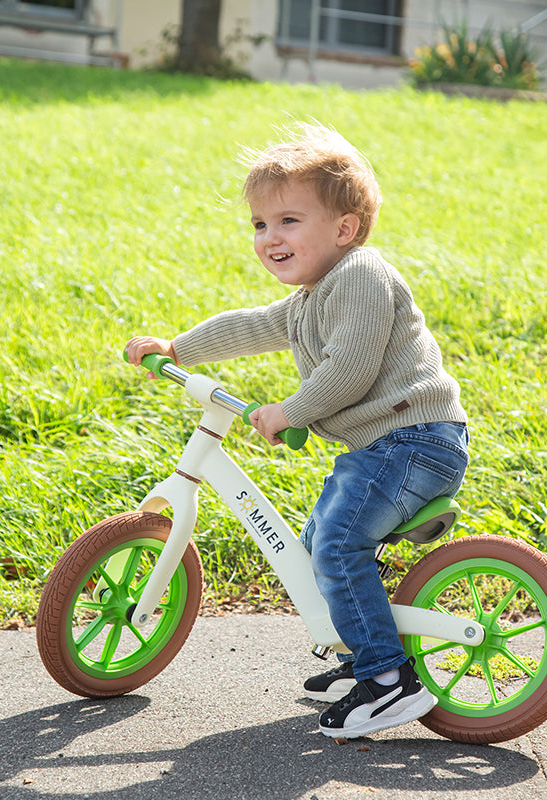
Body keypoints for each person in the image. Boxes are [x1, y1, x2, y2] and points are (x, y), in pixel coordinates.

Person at [125, 124, 469, 739]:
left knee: (336, 547)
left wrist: (291, 410)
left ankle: (390, 681)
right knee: (316, 546)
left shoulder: (361, 274)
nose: (270, 237)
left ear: (344, 229)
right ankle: (358, 653)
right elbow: (253, 326)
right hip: (382, 447)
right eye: (260, 224)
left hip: (415, 441)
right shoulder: (311, 297)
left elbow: (351, 367)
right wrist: (180, 347)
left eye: (288, 220)